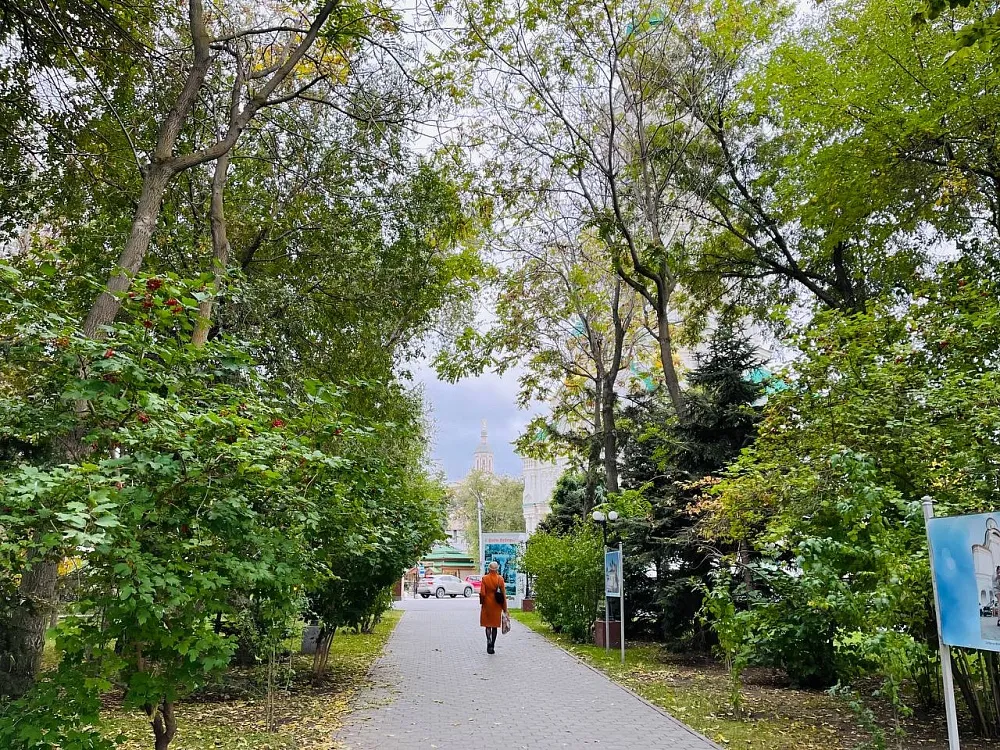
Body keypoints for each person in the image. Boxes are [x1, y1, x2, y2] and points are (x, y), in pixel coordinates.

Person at [479, 560, 508, 654]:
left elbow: (482, 593)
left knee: (488, 625)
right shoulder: (500, 579)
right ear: (497, 569)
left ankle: (488, 640)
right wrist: (505, 608)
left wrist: (482, 602)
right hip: (497, 605)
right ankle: (493, 646)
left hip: (487, 604)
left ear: (489, 569)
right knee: (494, 626)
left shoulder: (485, 579)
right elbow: (503, 594)